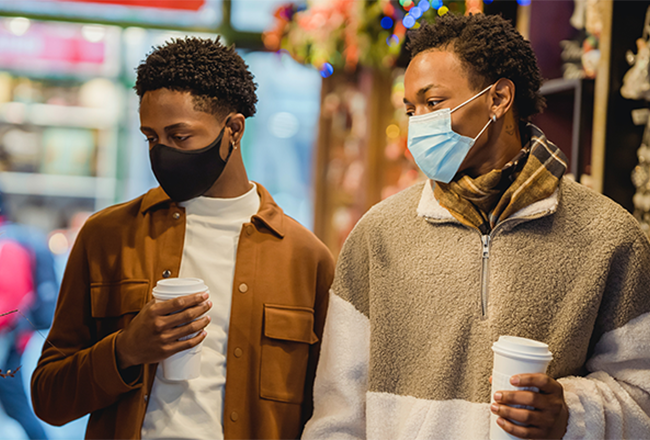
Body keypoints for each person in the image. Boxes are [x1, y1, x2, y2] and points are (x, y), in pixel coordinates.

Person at [303, 13, 650, 440]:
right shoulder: (379, 234)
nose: (419, 125)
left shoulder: (608, 235)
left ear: (499, 98)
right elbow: (338, 413)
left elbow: (641, 399)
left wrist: (570, 414)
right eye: (411, 109)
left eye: (433, 103)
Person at [31, 37, 334, 440]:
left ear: (234, 130)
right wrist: (125, 351)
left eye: (180, 136)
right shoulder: (108, 236)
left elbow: (328, 413)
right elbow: (48, 397)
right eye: (151, 138)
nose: (162, 154)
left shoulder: (305, 258)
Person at [0, 189, 57, 440]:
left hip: (9, 340)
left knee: (17, 406)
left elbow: (7, 304)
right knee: (15, 405)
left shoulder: (6, 243)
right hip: (12, 339)